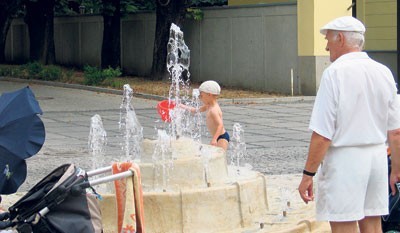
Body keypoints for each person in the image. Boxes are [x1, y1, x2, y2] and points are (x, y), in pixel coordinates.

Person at [297, 16, 400, 233]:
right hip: (376, 158)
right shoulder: (384, 72)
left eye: (328, 40)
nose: (326, 46)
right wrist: (396, 168)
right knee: (372, 225)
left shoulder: (334, 74)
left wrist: (308, 174)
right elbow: (396, 130)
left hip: (345, 160)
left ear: (341, 39)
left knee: (344, 224)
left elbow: (323, 134)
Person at [180, 80, 230, 150]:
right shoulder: (208, 106)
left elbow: (220, 125)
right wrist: (182, 106)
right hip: (217, 136)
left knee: (220, 157)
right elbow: (195, 110)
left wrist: (214, 139)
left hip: (222, 137)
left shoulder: (214, 110)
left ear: (209, 95)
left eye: (202, 96)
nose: (200, 98)